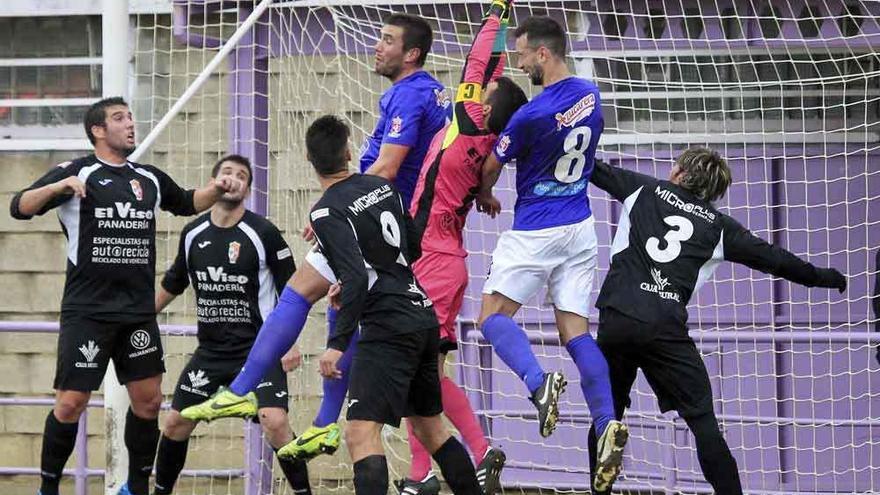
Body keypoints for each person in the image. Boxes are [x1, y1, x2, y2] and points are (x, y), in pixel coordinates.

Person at [183, 11, 452, 460]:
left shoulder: (408, 96)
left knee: (298, 293)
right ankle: (325, 423)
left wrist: (341, 209)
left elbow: (386, 171)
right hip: (385, 221)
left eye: (387, 41)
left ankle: (245, 390)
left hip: (376, 222)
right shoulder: (425, 92)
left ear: (412, 54)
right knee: (331, 293)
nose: (377, 46)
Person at [8, 96, 240, 495]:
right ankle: (48, 488)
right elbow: (19, 207)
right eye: (119, 118)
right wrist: (58, 186)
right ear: (98, 130)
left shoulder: (147, 178)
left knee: (149, 403)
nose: (130, 123)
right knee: (70, 403)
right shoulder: (78, 172)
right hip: (89, 312)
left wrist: (217, 188)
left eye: (130, 117)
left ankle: (136, 487)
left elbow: (186, 203)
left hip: (136, 312)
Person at [585, 150, 848, 494]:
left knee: (608, 413)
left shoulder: (643, 189)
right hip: (665, 327)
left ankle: (598, 488)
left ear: (678, 173)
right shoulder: (719, 227)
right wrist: (825, 278)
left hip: (617, 316)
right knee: (703, 423)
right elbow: (776, 260)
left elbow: (591, 167)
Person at [474, 14, 627, 487]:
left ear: (543, 53)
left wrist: (483, 192)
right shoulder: (591, 95)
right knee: (576, 332)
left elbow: (490, 168)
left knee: (491, 317)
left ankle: (540, 386)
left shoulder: (529, 115)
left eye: (522, 55)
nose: (521, 64)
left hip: (538, 228)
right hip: (581, 227)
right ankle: (606, 424)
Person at [305, 114, 482, 495]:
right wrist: (363, 281)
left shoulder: (325, 211)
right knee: (431, 428)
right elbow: (413, 244)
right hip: (421, 315)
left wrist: (336, 345)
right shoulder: (381, 187)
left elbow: (353, 276)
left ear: (311, 161)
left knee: (360, 433)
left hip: (388, 327)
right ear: (349, 153)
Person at [395, 1, 527, 493]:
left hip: (431, 259)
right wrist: (485, 193)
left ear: (486, 107)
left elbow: (479, 60)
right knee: (422, 375)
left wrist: (498, 12)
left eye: (485, 92)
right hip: (447, 261)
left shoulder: (470, 118)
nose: (475, 88)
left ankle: (449, 461)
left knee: (415, 373)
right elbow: (487, 71)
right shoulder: (484, 141)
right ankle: (427, 472)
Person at [152, 155, 311, 495]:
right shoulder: (193, 232)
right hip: (211, 353)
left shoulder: (262, 232)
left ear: (247, 190)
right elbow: (174, 281)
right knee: (176, 422)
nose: (233, 178)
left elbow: (292, 290)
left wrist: (291, 342)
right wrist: (139, 316)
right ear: (213, 182)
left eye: (241, 175)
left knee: (275, 421)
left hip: (261, 350)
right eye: (227, 172)